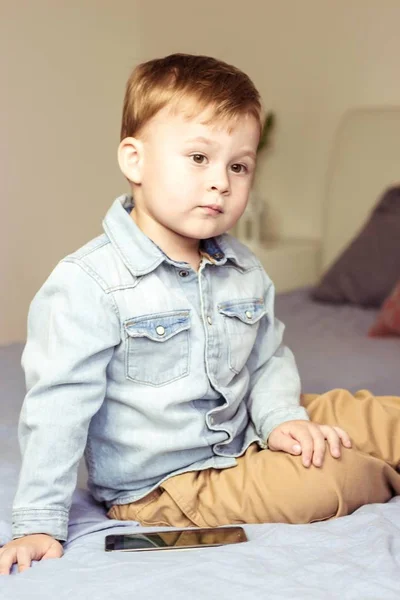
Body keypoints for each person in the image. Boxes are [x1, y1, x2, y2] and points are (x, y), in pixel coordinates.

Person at [1, 53, 400, 576]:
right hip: (169, 484)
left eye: (238, 165)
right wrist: (38, 521)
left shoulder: (243, 267)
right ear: (135, 161)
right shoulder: (88, 283)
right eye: (198, 158)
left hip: (246, 425)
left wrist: (282, 418)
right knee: (332, 479)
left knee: (366, 413)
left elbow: (267, 358)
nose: (221, 182)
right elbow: (56, 408)